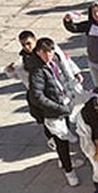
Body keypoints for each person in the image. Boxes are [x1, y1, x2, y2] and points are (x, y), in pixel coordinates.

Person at [25, 37, 79, 184]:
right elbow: (37, 97)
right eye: (45, 52)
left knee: (66, 137)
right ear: (38, 52)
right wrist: (58, 108)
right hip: (53, 111)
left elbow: (64, 72)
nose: (49, 55)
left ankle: (66, 161)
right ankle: (69, 172)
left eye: (51, 51)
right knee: (61, 141)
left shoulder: (53, 61)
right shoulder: (37, 71)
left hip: (64, 104)